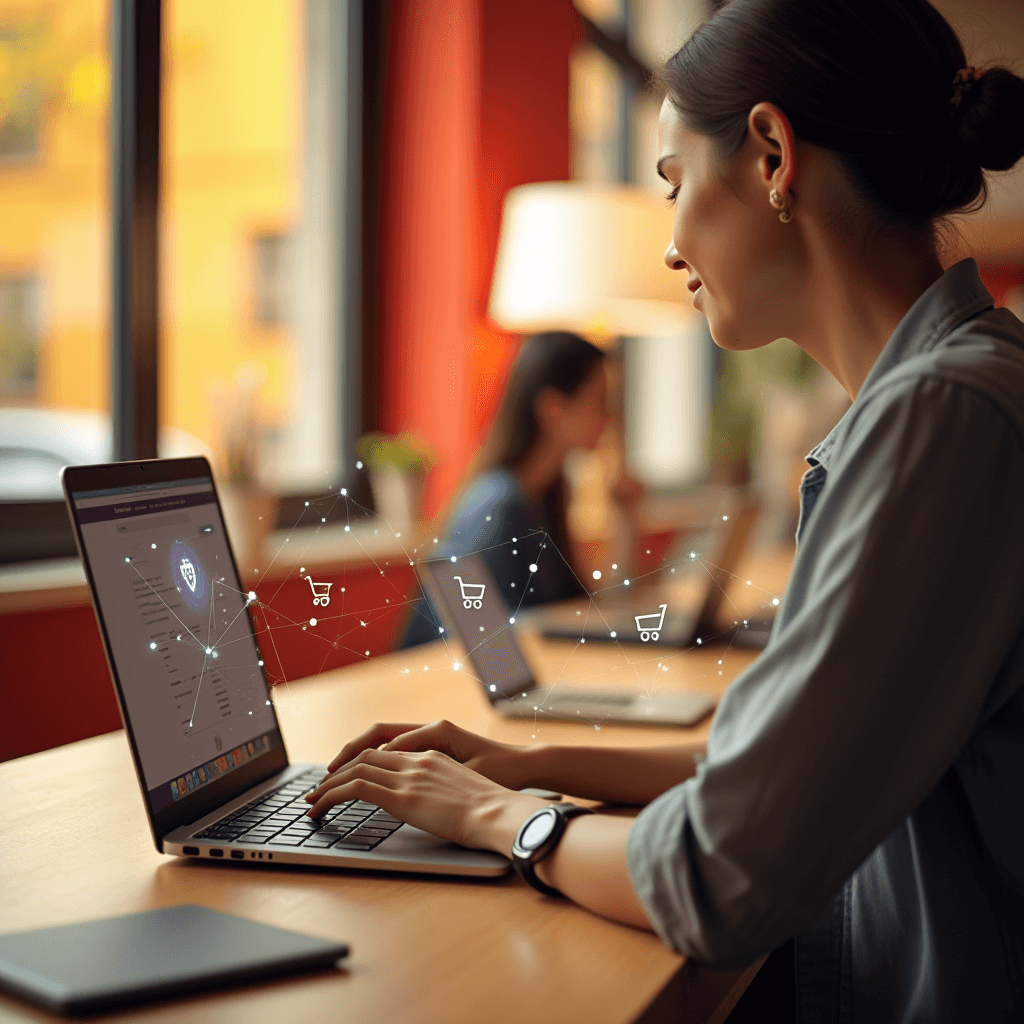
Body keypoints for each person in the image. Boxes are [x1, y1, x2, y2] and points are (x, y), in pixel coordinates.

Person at [306, 1, 1024, 1018]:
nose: (671, 246)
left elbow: (717, 876)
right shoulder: (939, 400)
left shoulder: (945, 419)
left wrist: (507, 819)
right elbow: (785, 753)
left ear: (773, 155)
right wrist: (530, 759)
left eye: (675, 183)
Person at [401, 331, 609, 646]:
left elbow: (580, 607)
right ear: (553, 409)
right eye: (600, 402)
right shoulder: (499, 503)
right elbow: (489, 639)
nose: (609, 418)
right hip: (441, 684)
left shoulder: (540, 499)